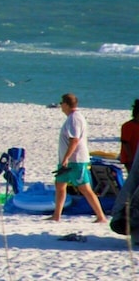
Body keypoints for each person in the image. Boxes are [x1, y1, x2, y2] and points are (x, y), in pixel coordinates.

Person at [51, 93, 107, 223]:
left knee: (84, 188)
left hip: (75, 161)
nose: (60, 106)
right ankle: (56, 215)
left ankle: (101, 216)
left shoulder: (74, 119)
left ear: (66, 104)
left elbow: (74, 140)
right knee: (59, 185)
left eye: (61, 103)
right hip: (67, 162)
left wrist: (66, 158)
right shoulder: (71, 118)